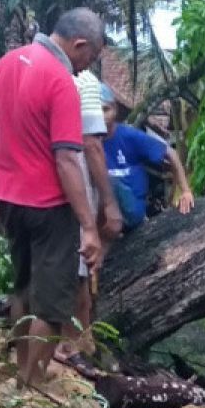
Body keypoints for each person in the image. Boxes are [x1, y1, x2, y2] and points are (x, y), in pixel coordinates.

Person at [0, 8, 105, 388]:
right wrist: (87, 226)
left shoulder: (6, 64)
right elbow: (67, 158)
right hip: (50, 207)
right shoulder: (60, 81)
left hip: (12, 203)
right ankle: (31, 385)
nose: (85, 68)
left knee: (23, 289)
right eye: (89, 59)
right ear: (78, 44)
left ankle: (21, 372)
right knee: (51, 303)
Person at [57, 69, 123, 361]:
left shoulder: (41, 78)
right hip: (75, 198)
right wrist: (109, 204)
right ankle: (73, 349)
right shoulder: (85, 81)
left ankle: (79, 345)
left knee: (78, 277)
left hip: (49, 198)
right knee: (78, 279)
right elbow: (91, 145)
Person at [101, 83, 195, 229]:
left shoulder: (128, 135)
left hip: (131, 208)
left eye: (105, 109)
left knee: (109, 181)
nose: (101, 116)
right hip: (104, 213)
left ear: (115, 109)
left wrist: (185, 191)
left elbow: (171, 153)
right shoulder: (87, 142)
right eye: (96, 111)